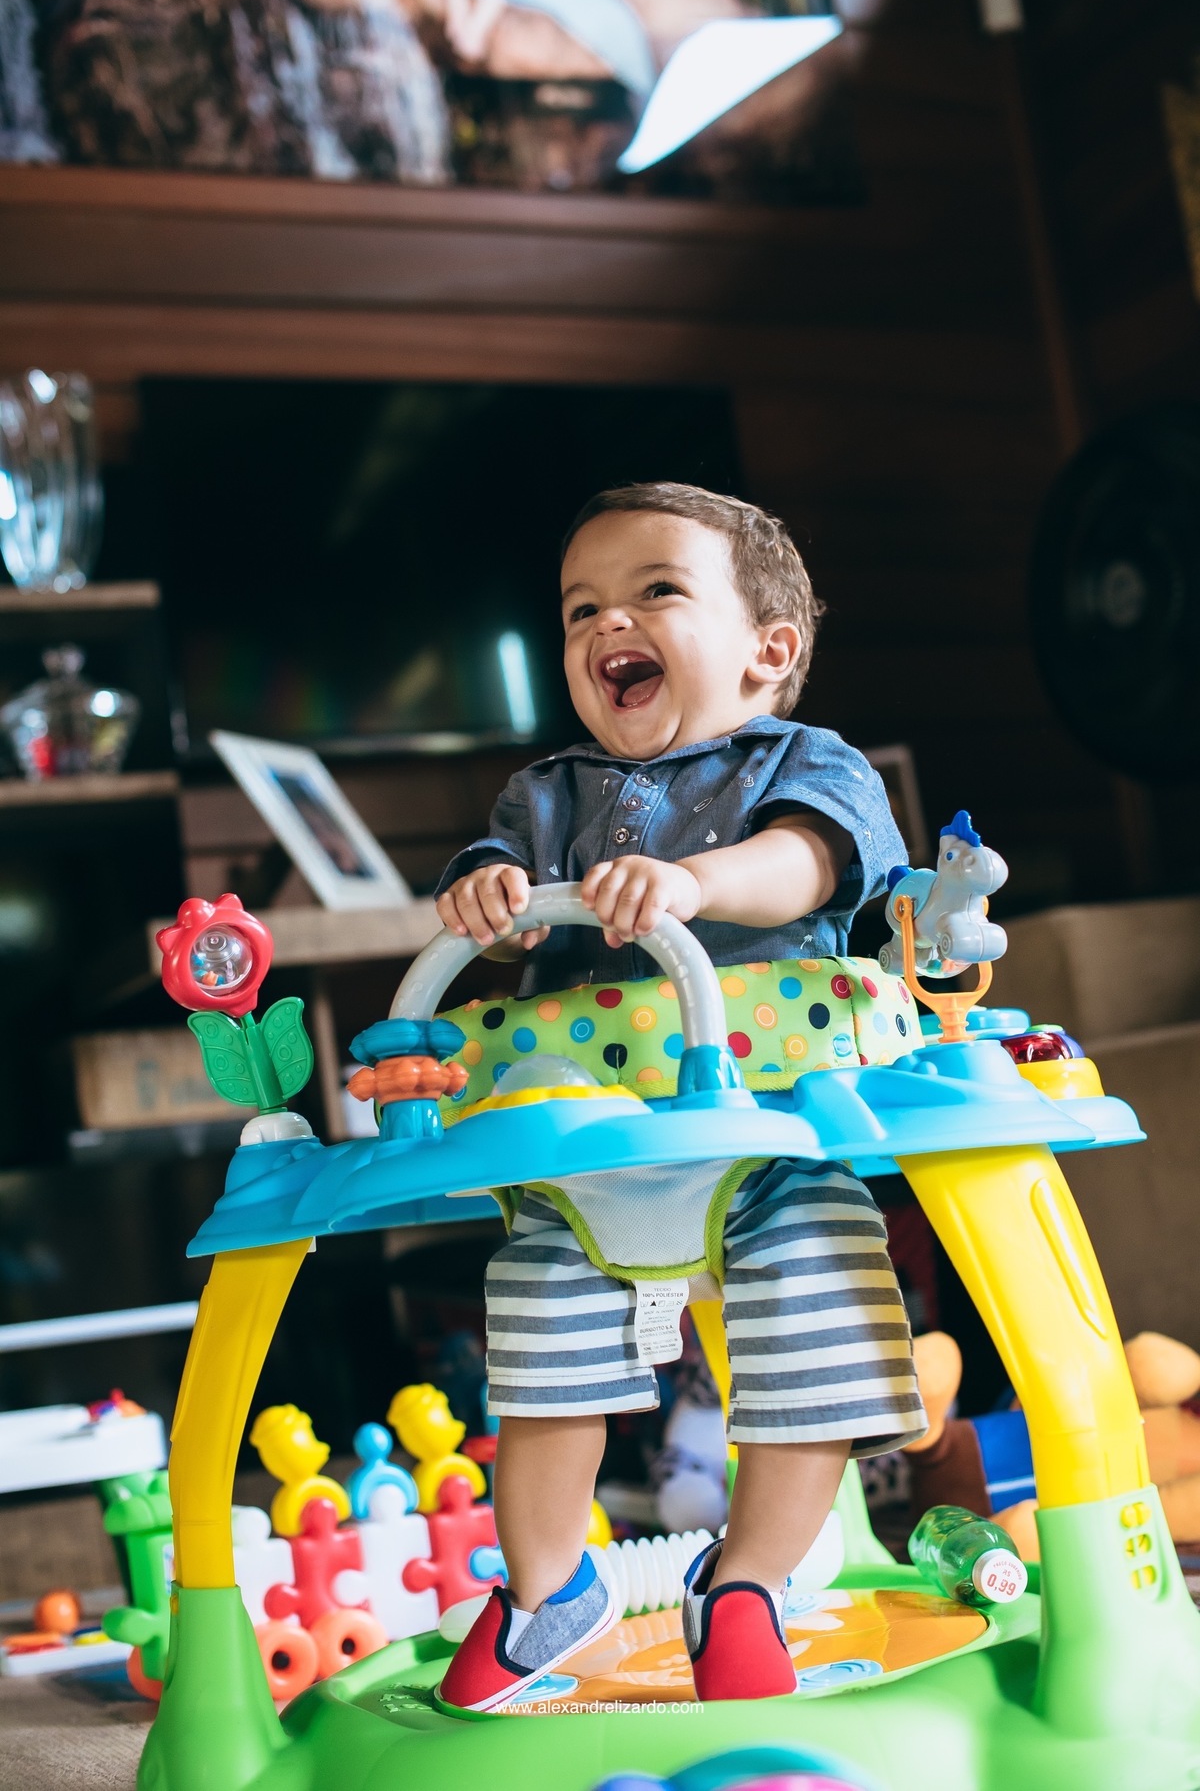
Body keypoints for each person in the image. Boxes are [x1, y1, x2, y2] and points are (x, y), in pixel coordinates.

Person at [433, 483, 925, 1710]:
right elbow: (495, 899)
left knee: (823, 1321)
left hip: (767, 1128)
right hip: (589, 1144)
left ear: (770, 651)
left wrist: (695, 883)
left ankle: (747, 1580)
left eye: (656, 589)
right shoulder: (545, 796)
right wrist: (486, 900)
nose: (611, 622)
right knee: (538, 1338)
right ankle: (549, 1587)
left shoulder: (808, 763)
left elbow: (808, 862)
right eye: (581, 606)